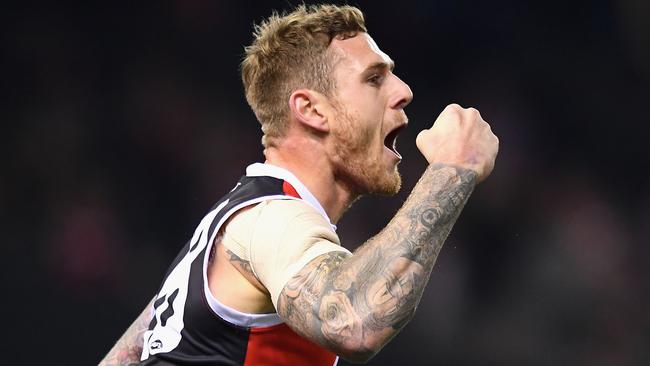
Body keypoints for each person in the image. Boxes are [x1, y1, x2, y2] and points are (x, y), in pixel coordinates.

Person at [100, 4, 498, 365]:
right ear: (311, 110)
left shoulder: (234, 229)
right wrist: (453, 169)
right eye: (374, 79)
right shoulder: (271, 221)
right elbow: (356, 322)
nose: (404, 92)